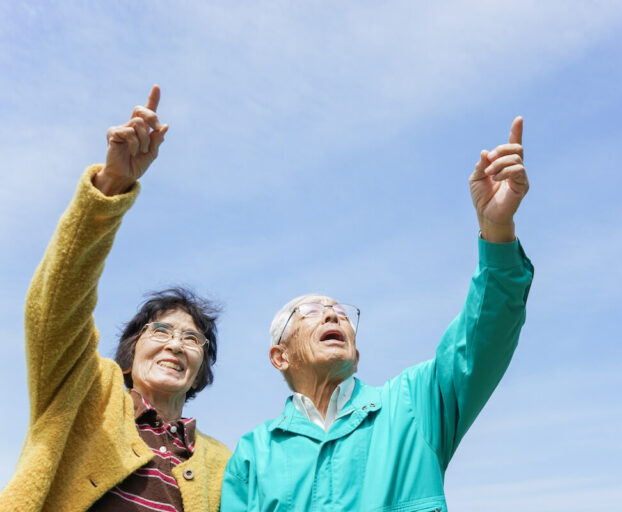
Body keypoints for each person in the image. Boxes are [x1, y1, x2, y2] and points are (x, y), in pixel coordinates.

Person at [220, 117, 534, 511]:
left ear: (356, 355)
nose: (333, 316)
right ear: (279, 355)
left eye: (341, 312)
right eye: (311, 311)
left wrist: (496, 227)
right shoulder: (253, 456)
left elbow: (485, 333)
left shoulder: (414, 404)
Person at [0, 86, 231, 512]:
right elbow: (57, 303)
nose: (176, 344)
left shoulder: (224, 463)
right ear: (130, 354)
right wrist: (110, 188)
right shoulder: (85, 390)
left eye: (193, 339)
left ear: (201, 372)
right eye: (160, 330)